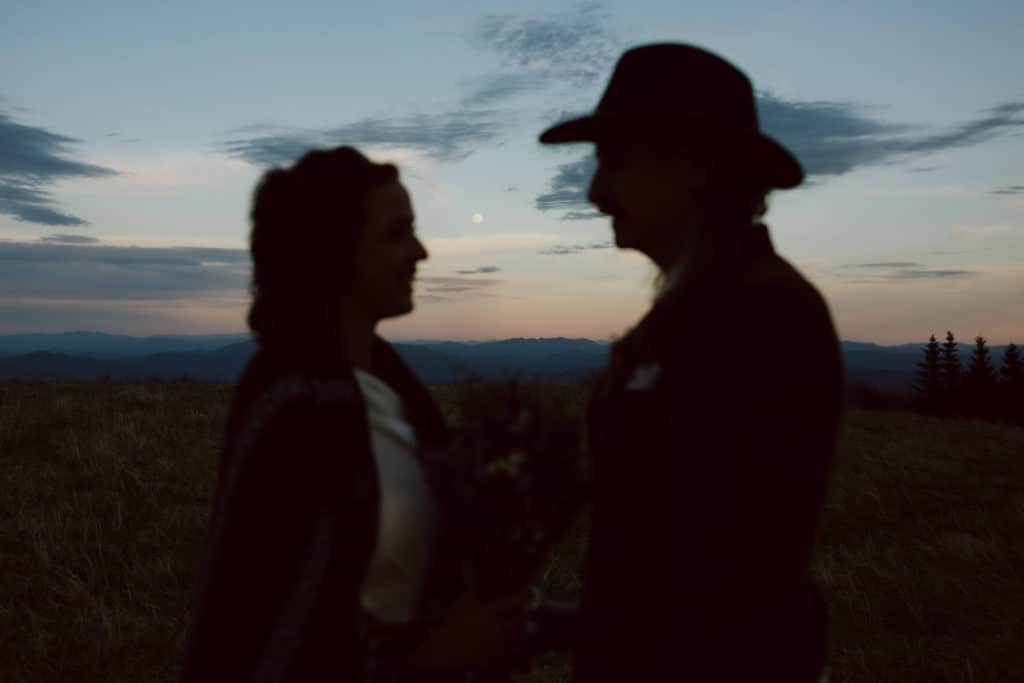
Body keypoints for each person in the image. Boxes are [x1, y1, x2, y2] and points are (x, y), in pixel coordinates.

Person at [538, 44, 841, 682]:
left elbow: (732, 581)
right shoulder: (695, 310)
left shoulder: (761, 317)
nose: (595, 193)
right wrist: (561, 623)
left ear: (696, 165)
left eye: (613, 163)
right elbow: (665, 557)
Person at [181, 146, 526, 682]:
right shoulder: (296, 408)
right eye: (397, 233)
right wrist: (437, 659)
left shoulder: (387, 389)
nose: (421, 252)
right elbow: (257, 632)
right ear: (333, 249)